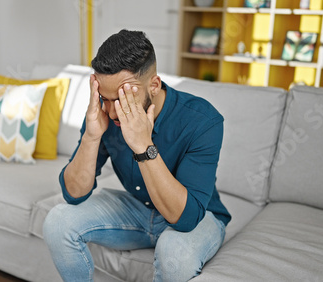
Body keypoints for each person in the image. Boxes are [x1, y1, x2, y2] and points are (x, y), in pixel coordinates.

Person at [43, 29, 231, 282]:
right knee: (57, 222)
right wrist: (91, 136)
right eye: (105, 98)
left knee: (174, 251)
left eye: (123, 98)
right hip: (138, 210)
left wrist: (143, 145)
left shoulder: (203, 120)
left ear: (153, 85)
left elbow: (184, 219)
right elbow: (74, 194)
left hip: (197, 214)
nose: (111, 111)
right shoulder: (104, 113)